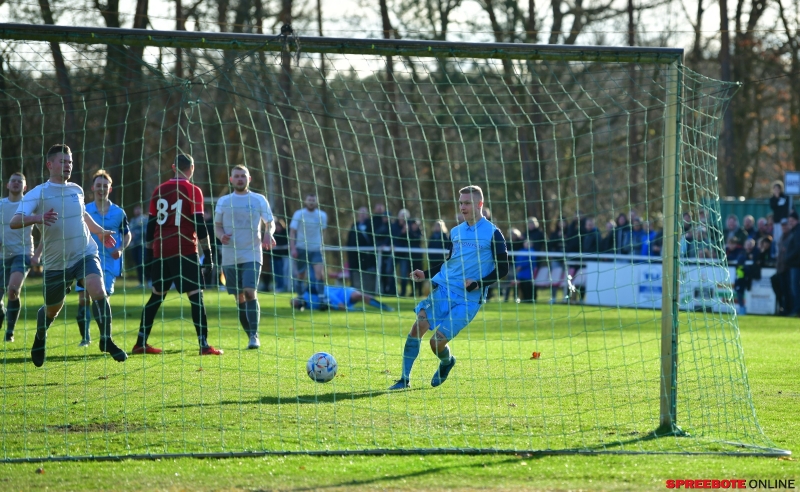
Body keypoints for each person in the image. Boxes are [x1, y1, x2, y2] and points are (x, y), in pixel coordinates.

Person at [11, 144, 127, 366]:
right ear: (50, 164)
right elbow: (15, 221)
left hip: (84, 253)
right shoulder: (38, 193)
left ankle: (106, 339)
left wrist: (99, 232)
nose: (68, 166)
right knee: (52, 310)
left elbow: (82, 215)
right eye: (63, 162)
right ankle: (40, 337)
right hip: (56, 264)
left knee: (98, 291)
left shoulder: (77, 190)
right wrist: (37, 218)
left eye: (70, 162)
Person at [389, 185, 508, 390]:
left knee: (435, 343)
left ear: (479, 204)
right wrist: (425, 274)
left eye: (467, 203)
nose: (462, 207)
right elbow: (449, 262)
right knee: (418, 326)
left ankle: (447, 362)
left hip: (469, 299)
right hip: (444, 290)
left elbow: (503, 269)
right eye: (461, 203)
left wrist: (478, 283)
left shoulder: (493, 233)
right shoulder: (455, 232)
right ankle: (403, 379)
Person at [131, 152, 222, 356]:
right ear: (192, 168)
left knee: (156, 296)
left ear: (173, 167)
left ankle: (140, 343)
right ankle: (204, 345)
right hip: (184, 249)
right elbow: (199, 224)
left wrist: (148, 254)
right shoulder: (193, 190)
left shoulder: (159, 190)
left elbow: (151, 224)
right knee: (196, 296)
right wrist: (208, 254)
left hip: (161, 250)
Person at [214, 165, 275, 350]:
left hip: (252, 253)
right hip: (230, 256)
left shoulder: (258, 199)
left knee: (249, 292)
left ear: (249, 179)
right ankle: (250, 336)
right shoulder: (224, 201)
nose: (240, 179)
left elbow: (270, 222)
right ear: (231, 179)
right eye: (237, 176)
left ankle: (254, 335)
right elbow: (217, 226)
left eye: (243, 176)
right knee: (239, 297)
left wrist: (268, 233)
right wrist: (221, 236)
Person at [75, 170, 131, 347]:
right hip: (86, 259)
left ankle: (105, 337)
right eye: (98, 185)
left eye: (105, 186)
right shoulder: (84, 210)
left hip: (109, 263)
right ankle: (85, 338)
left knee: (103, 298)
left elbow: (127, 234)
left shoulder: (119, 212)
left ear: (110, 189)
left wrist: (120, 249)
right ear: (92, 188)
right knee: (84, 298)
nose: (101, 189)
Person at [0, 173, 35, 342]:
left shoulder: (29, 205)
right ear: (7, 185)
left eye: (19, 181)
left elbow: (45, 229)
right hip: (2, 256)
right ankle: (2, 312)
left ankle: (10, 332)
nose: (15, 183)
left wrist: (38, 254)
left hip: (23, 253)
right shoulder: (1, 205)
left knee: (13, 289)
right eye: (13, 181)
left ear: (25, 187)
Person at [290, 194, 328, 300]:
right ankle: (300, 296)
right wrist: (293, 248)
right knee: (301, 275)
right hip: (301, 248)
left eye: (313, 200)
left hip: (316, 249)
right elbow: (292, 232)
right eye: (309, 200)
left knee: (320, 273)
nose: (311, 202)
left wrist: (321, 244)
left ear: (316, 202)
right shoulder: (299, 214)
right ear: (305, 201)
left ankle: (321, 298)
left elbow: (324, 231)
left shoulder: (322, 215)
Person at [290, 285, 394, 312]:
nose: (299, 305)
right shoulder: (309, 307)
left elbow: (326, 292)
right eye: (297, 306)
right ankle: (358, 310)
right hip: (338, 304)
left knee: (360, 296)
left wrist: (338, 302)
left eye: (296, 302)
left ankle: (385, 308)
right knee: (347, 309)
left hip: (340, 294)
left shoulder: (309, 290)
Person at [347, 207, 377, 294]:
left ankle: (366, 291)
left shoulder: (370, 225)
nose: (362, 215)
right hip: (354, 255)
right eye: (361, 213)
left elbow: (372, 239)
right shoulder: (354, 225)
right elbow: (350, 239)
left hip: (365, 255)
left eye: (364, 213)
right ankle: (353, 289)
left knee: (364, 273)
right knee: (354, 272)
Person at [128, 204, 148, 287]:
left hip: (143, 245)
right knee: (137, 264)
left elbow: (146, 230)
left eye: (138, 209)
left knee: (142, 262)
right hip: (134, 245)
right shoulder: (132, 220)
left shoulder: (145, 219)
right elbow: (129, 230)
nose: (137, 211)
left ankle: (149, 280)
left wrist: (135, 233)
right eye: (135, 209)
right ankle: (141, 282)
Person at [770, 181, 790, 246]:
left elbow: (787, 207)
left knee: (783, 236)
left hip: (784, 220)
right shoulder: (772, 199)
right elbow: (773, 207)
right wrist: (776, 198)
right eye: (775, 189)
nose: (776, 190)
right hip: (776, 221)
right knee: (777, 238)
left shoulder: (785, 197)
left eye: (778, 189)